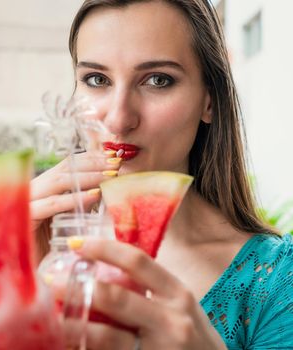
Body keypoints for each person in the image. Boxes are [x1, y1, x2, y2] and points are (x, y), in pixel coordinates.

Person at [31, 0, 293, 349]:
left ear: (209, 101)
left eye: (158, 80)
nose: (119, 119)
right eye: (97, 79)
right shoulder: (36, 243)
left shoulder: (276, 282)